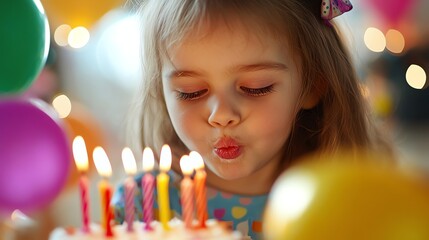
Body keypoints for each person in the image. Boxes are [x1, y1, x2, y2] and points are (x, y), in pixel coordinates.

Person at [112, 0, 392, 239]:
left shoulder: (342, 205)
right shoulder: (142, 207)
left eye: (255, 87)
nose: (221, 116)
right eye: (191, 92)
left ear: (312, 86)